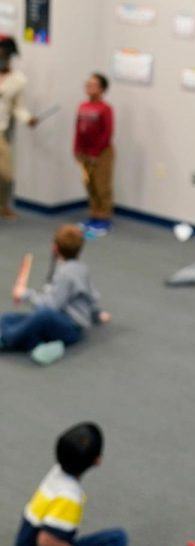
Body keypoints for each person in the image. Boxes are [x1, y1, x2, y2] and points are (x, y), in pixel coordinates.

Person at [11, 422, 150, 546]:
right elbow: (45, 541)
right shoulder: (69, 497)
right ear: (97, 461)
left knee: (117, 537)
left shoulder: (56, 472)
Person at [2, 224, 108, 365]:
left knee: (41, 315)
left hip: (70, 328)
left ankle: (7, 339)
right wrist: (97, 314)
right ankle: (38, 345)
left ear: (55, 248)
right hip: (58, 321)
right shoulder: (81, 268)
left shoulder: (65, 274)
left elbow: (52, 306)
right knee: (6, 318)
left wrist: (25, 294)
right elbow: (91, 295)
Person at [0, 36, 39, 221]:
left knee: (6, 174)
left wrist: (27, 119)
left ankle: (3, 205)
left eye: (4, 55)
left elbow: (18, 107)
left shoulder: (18, 80)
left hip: (1, 129)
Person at [74, 72, 115, 235]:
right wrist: (76, 149)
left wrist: (96, 152)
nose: (89, 87)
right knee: (89, 183)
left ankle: (104, 218)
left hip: (101, 153)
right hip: (84, 153)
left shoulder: (106, 109)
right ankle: (93, 215)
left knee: (101, 185)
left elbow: (107, 133)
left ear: (102, 89)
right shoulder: (82, 106)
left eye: (93, 85)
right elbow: (78, 129)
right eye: (88, 84)